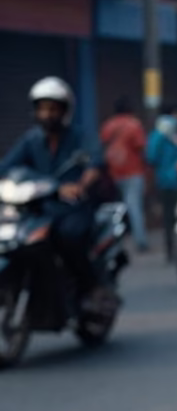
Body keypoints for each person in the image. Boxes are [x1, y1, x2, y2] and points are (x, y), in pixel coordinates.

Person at [0, 77, 103, 296]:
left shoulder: (80, 137)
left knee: (69, 237)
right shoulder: (31, 140)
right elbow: (7, 166)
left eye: (53, 109)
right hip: (40, 208)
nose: (47, 115)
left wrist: (81, 185)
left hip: (72, 208)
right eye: (42, 109)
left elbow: (95, 164)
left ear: (64, 111)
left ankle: (88, 288)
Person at [100, 96, 148, 250]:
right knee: (134, 207)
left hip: (113, 172)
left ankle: (112, 242)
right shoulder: (134, 125)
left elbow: (102, 144)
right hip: (133, 172)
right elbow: (141, 146)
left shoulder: (108, 125)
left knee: (114, 210)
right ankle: (141, 242)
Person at [147, 104, 177, 261]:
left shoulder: (157, 135)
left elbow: (151, 157)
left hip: (164, 181)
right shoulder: (176, 134)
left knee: (169, 218)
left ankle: (171, 250)